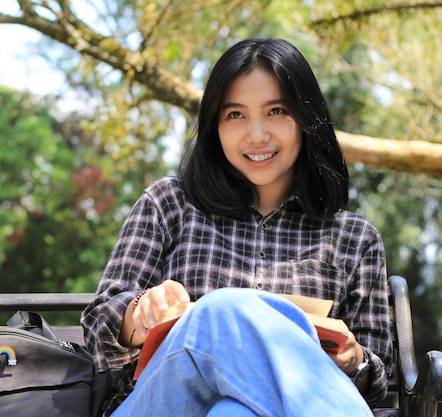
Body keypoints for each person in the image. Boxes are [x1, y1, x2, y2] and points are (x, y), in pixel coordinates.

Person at [81, 37, 391, 417]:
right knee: (220, 312)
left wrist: (355, 359)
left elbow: (379, 382)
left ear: (307, 119)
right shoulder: (168, 203)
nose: (257, 134)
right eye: (236, 115)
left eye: (276, 110)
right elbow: (98, 331)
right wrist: (139, 315)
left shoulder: (354, 239)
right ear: (215, 126)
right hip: (158, 404)